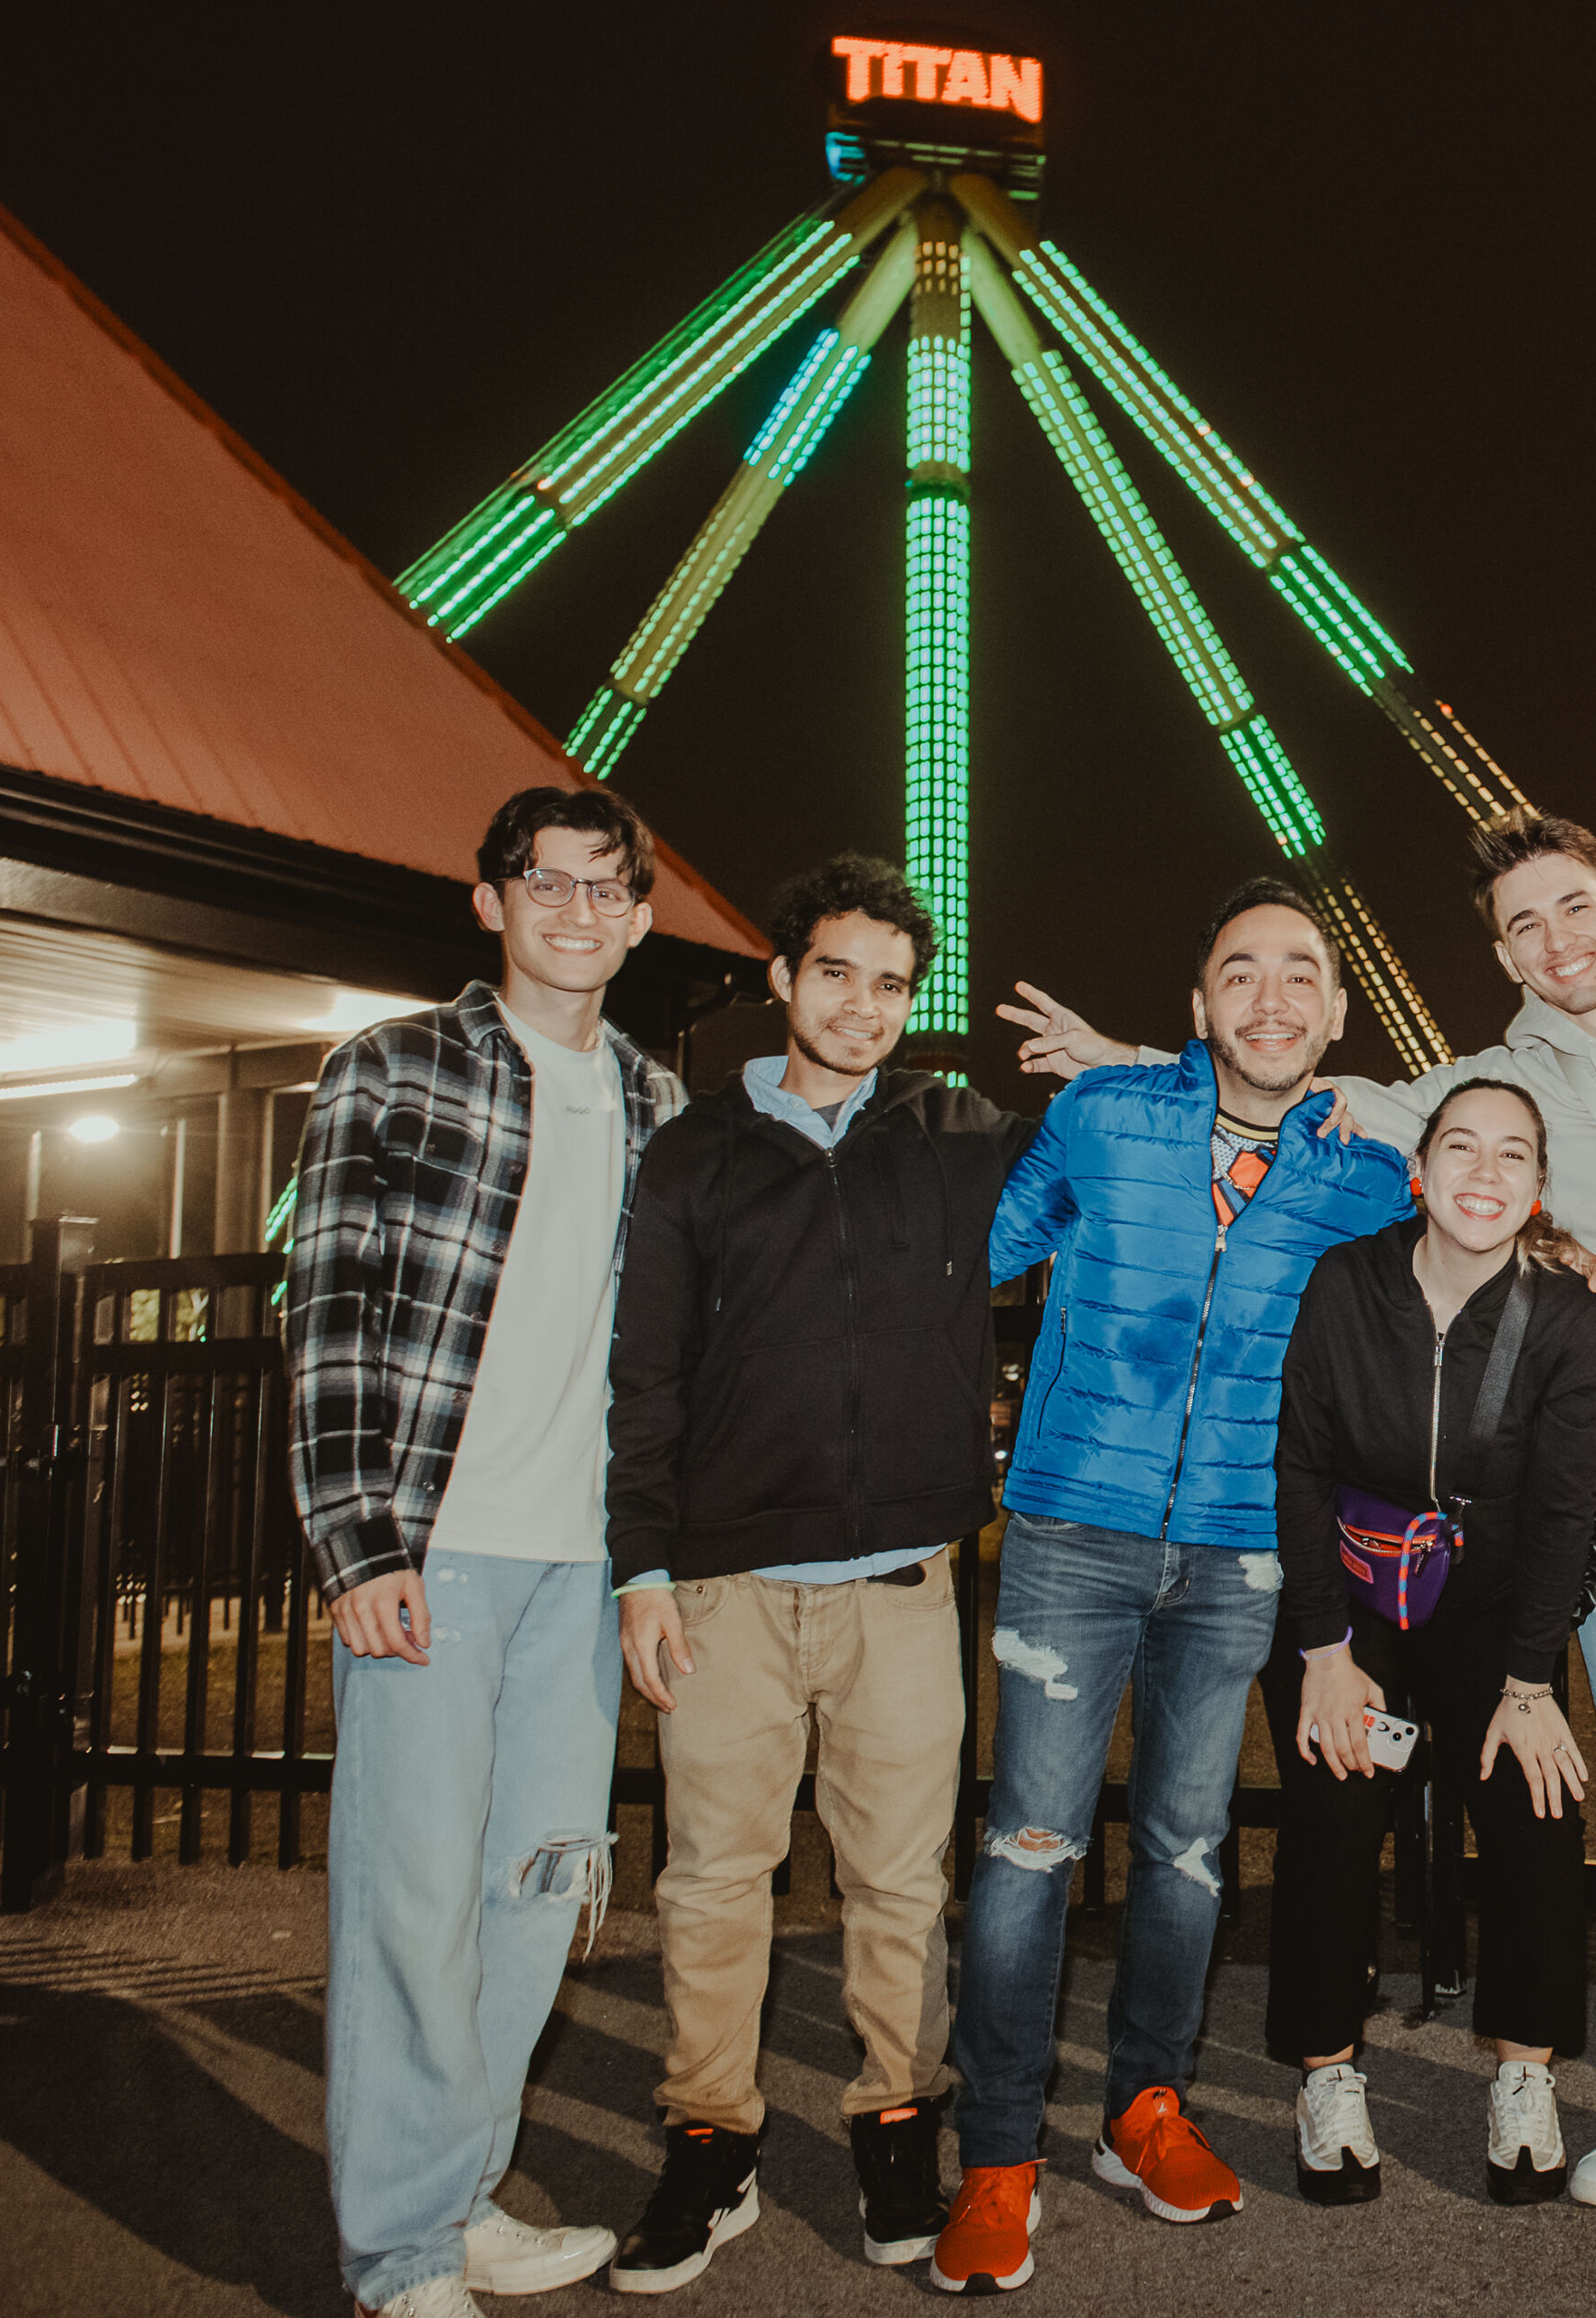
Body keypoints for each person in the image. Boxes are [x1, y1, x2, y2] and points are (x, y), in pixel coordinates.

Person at [1005, 809, 1596, 2294]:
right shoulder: (1498, 1083)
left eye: (1575, 907)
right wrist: (1121, 1065)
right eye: (1525, 925)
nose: (1559, 939)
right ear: (1502, 955)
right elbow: (1313, 1088)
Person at [928, 878, 1416, 2294]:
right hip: (1075, 1529)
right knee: (1031, 1850)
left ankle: (1146, 2107)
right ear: (1200, 1004)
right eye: (1240, 974)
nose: (1272, 999)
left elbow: (1474, 1227)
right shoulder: (1106, 1116)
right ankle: (1000, 2151)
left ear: (1333, 1012)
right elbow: (976, 1255)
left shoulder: (1363, 1173)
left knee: (1193, 1850)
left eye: (1301, 977)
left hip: (1242, 1545)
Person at [599, 856, 1037, 2292]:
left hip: (903, 1583)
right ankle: (710, 2144)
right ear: (783, 978)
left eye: (893, 984)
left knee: (900, 1885)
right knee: (715, 1881)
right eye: (835, 973)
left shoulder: (963, 1134)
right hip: (726, 1585)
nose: (864, 1005)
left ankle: (896, 2126)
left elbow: (1135, 1162)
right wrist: (642, 1569)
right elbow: (646, 1371)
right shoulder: (695, 1152)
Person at [286, 783, 682, 2318]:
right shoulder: (394, 1069)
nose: (577, 910)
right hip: (432, 1552)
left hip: (581, 1567)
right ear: (491, 901)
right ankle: (394, 2252)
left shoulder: (660, 1105)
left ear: (642, 917)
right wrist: (355, 1542)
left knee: (538, 1891)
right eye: (547, 882)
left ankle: (458, 2199)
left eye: (606, 888)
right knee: (410, 1897)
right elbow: (325, 1319)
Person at [1265, 1079, 1596, 2205]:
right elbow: (1302, 1466)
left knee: (1535, 1811)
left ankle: (1525, 2071)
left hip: (1493, 1607)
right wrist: (1324, 1648)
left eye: (1511, 1154)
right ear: (1417, 1168)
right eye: (1459, 1147)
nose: (1484, 1171)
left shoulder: (1568, 1319)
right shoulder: (1348, 1282)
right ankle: (1327, 2072)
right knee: (1332, 1809)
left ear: (1538, 1187)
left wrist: (1531, 1679)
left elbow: (1569, 1512)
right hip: (1359, 1605)